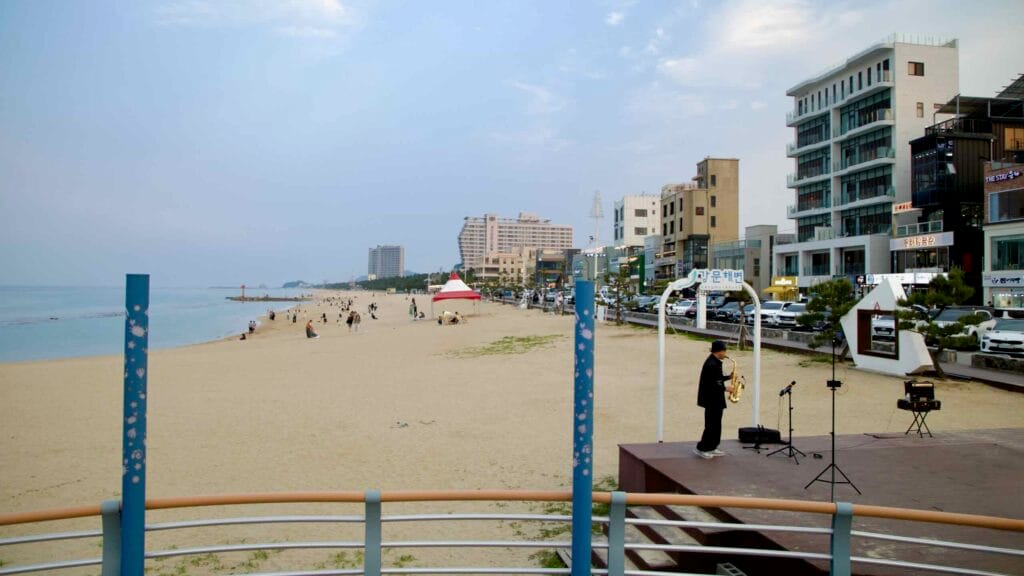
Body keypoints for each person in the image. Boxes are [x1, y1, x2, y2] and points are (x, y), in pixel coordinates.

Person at [694, 340, 734, 459]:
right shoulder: (711, 364)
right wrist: (726, 388)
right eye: (724, 351)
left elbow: (717, 378)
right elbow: (712, 384)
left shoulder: (715, 362)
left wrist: (728, 377)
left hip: (716, 399)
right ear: (719, 351)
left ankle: (712, 446)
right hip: (711, 399)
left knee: (716, 424)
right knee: (711, 425)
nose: (725, 354)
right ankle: (702, 448)